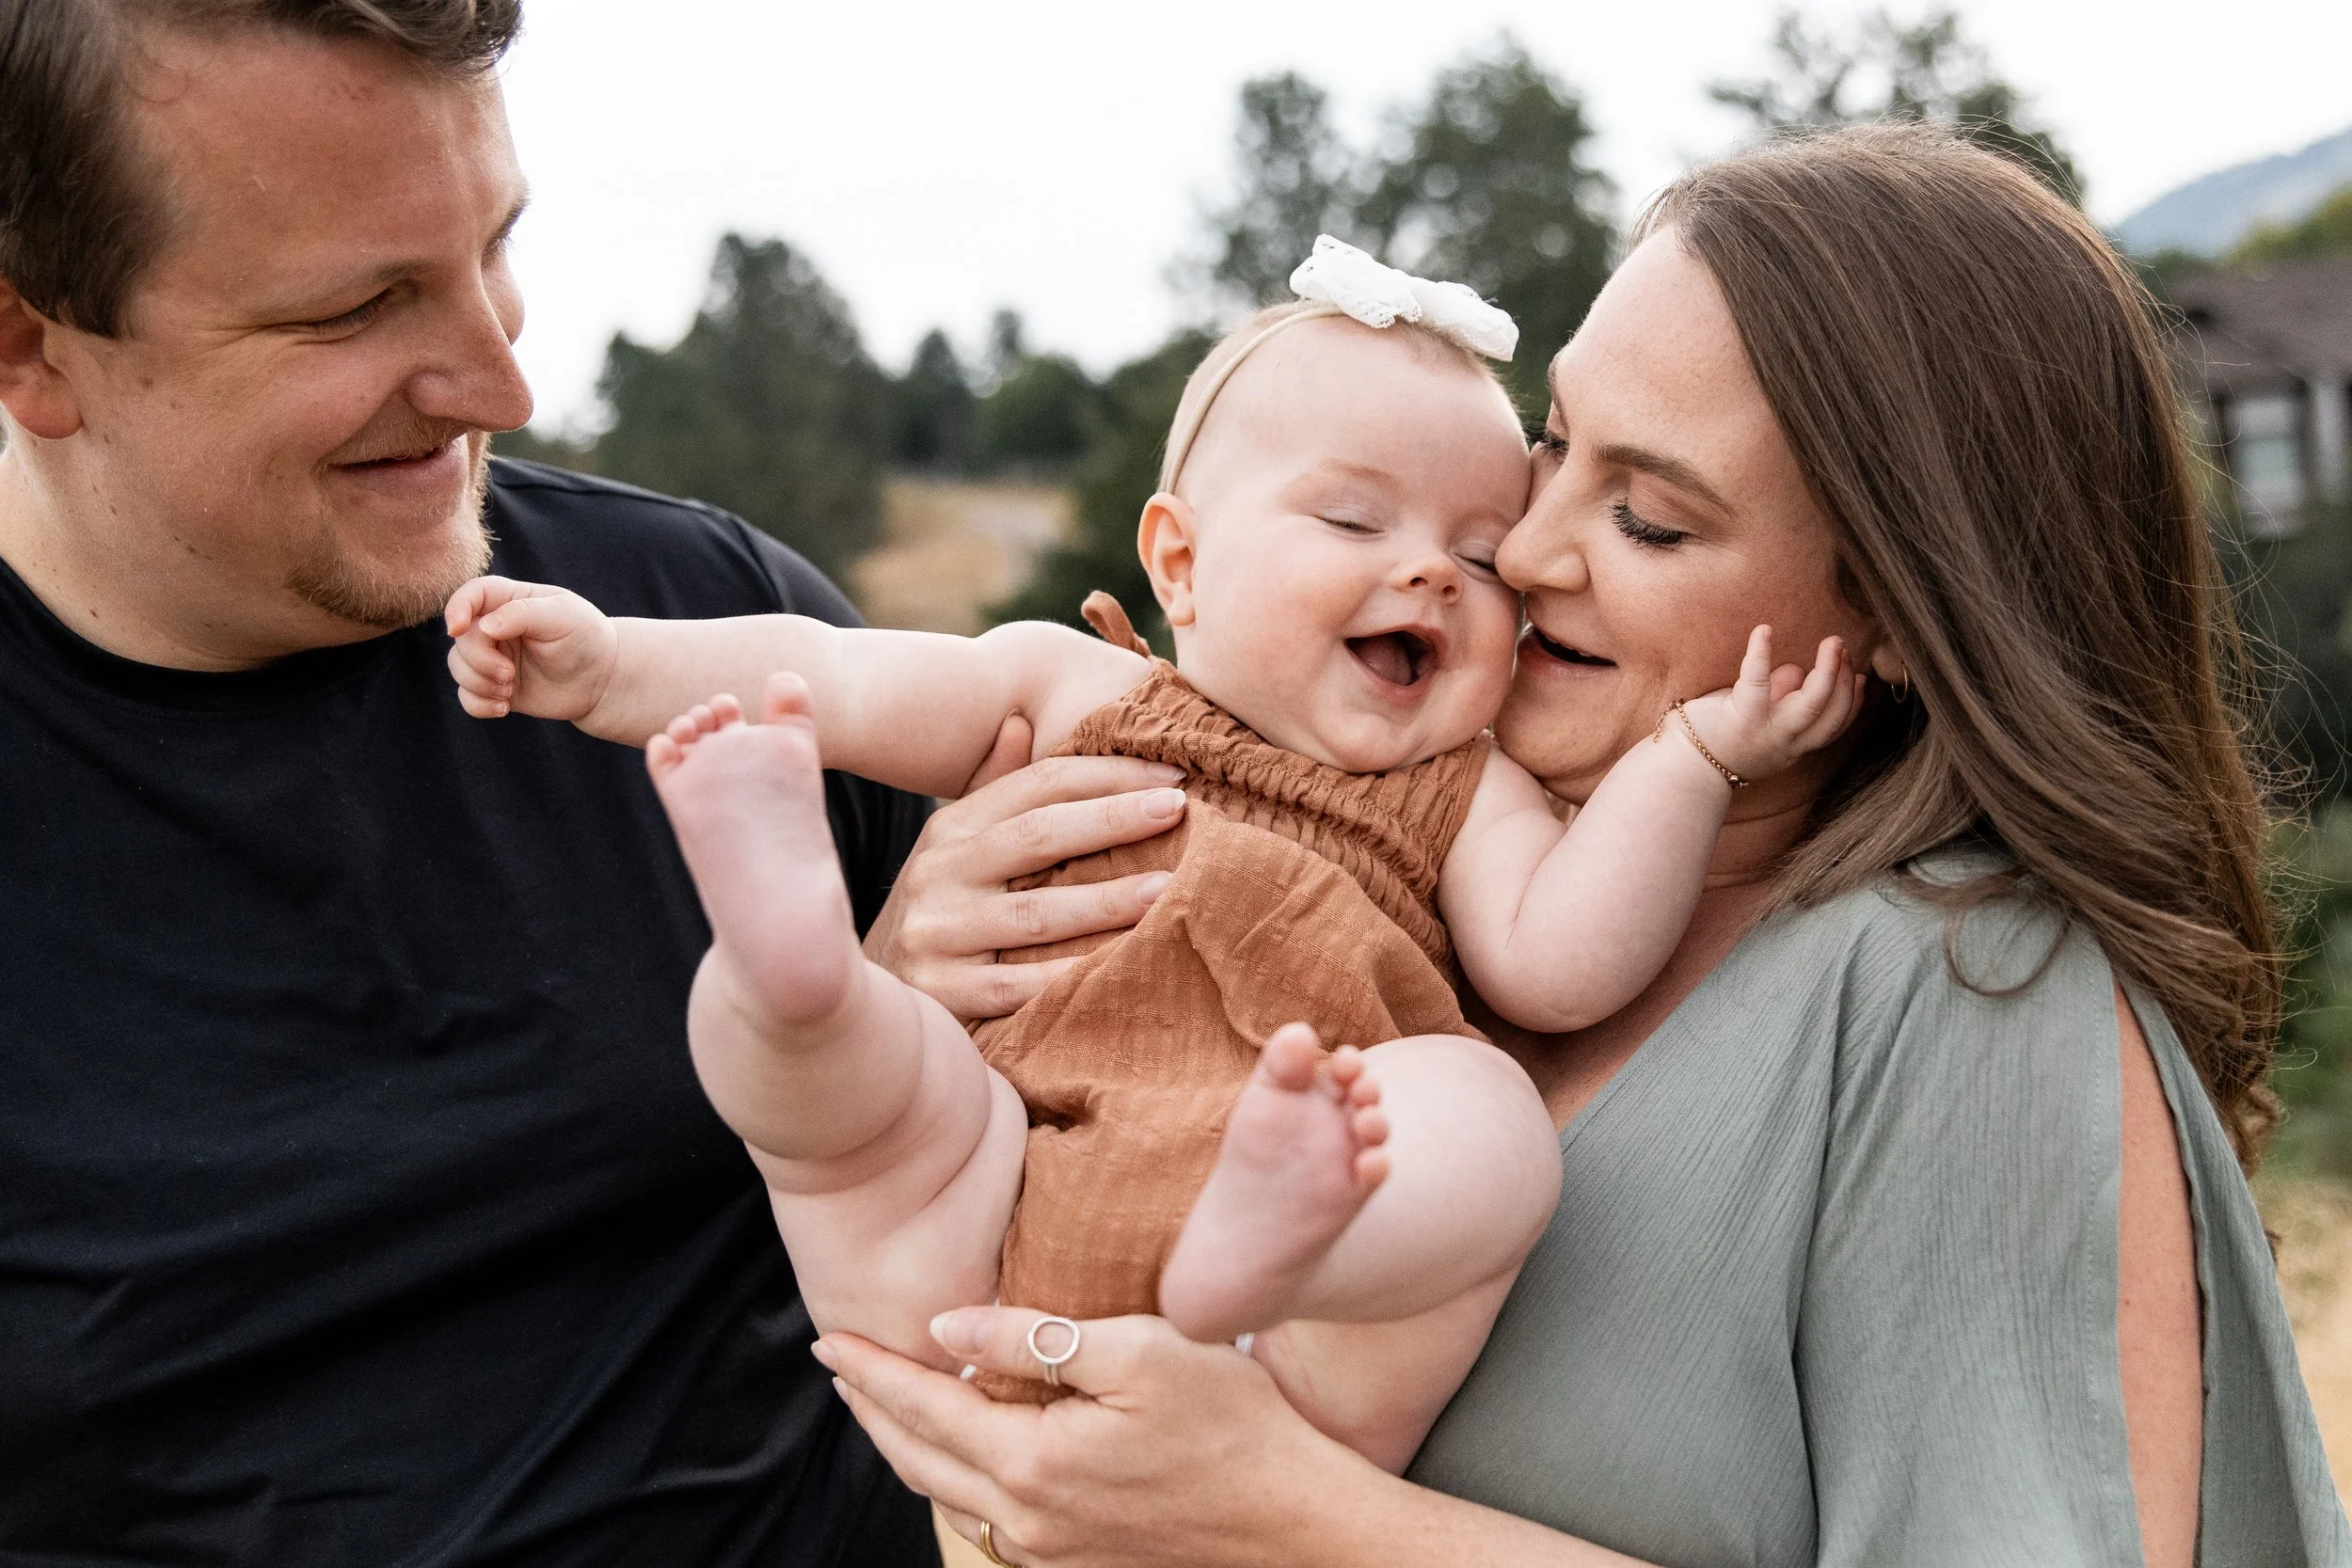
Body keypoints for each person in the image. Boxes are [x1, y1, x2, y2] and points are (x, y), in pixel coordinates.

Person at [818, 125, 2352, 1568]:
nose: (1524, 548)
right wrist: (910, 981)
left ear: (1893, 614)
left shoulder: (1965, 992)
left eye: (1653, 522)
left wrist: (1299, 1518)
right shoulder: (1404, 870)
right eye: (1556, 447)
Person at [437, 241, 1862, 1472]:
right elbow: (834, 673)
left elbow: (1559, 964)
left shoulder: (1462, 788)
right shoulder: (1073, 688)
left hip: (1271, 1366)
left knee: (1485, 1117)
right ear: (1178, 563)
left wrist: (1692, 762)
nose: (1431, 568)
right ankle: (793, 975)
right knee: (863, 1089)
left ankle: (1298, 1243)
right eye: (1355, 519)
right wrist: (613, 664)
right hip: (978, 1227)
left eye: (1483, 555)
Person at [0, 2, 957, 1560]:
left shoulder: (704, 630)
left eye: (492, 247)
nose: (503, 388)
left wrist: (919, 1029)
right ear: (33, 340)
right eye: (361, 306)